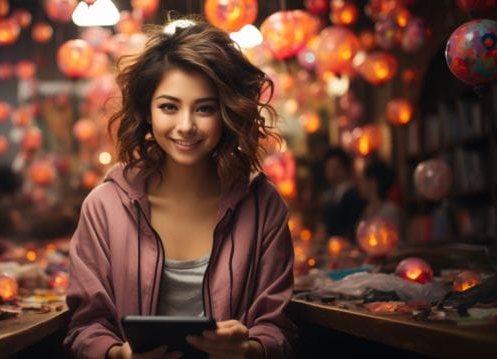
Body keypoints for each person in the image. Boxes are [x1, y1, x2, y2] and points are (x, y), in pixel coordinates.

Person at [65, 18, 296, 359]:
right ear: (147, 111)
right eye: (169, 107)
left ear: (228, 112)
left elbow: (280, 327)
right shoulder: (105, 206)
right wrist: (118, 354)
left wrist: (250, 348)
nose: (186, 126)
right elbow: (84, 327)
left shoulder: (263, 204)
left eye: (205, 108)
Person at [321, 147, 365, 242]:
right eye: (328, 167)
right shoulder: (331, 193)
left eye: (335, 167)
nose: (331, 172)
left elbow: (352, 226)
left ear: (345, 168)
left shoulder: (352, 195)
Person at [358, 158, 404, 238]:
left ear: (373, 183)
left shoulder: (390, 211)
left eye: (363, 181)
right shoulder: (366, 209)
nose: (360, 185)